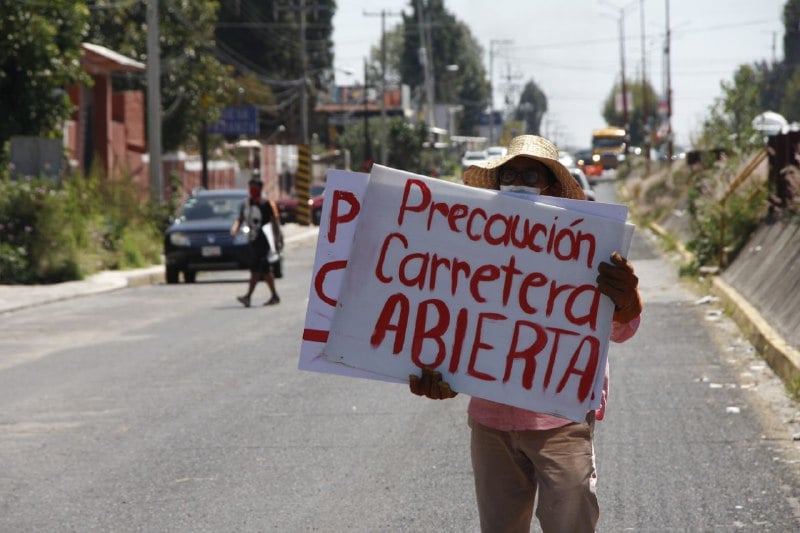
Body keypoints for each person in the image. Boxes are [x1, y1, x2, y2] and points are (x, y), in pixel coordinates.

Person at [409, 134, 643, 533]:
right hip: (490, 421)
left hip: (562, 419)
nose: (517, 181)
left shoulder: (587, 244)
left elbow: (620, 331)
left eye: (529, 173)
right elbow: (446, 318)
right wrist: (434, 372)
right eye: (509, 174)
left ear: (550, 185)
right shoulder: (472, 245)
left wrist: (627, 299)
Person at [231, 178, 283, 307]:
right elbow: (240, 218)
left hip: (265, 239)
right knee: (261, 269)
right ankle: (271, 295)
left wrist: (277, 240)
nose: (252, 190)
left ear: (260, 188)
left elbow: (275, 222)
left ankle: (250, 296)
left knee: (259, 268)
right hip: (253, 240)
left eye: (254, 187)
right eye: (250, 187)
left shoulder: (267, 204)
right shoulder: (247, 204)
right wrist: (235, 228)